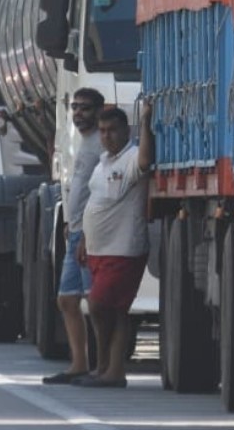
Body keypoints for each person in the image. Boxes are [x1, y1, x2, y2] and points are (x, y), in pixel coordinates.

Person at [72, 104, 153, 388]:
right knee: (115, 311)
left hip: (123, 250)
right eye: (102, 131)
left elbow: (145, 162)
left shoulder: (131, 157)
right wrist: (84, 238)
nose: (106, 136)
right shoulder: (104, 161)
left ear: (125, 130)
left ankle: (110, 366)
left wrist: (145, 123)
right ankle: (108, 369)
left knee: (98, 305)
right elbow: (95, 202)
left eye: (112, 130)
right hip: (98, 250)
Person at [42, 88, 105, 385]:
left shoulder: (101, 145)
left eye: (86, 108)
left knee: (96, 302)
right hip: (76, 230)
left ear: (99, 110)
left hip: (90, 234)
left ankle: (102, 367)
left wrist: (86, 233)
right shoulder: (82, 142)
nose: (79, 113)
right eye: (75, 107)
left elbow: (101, 193)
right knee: (67, 300)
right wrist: (70, 222)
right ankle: (79, 364)